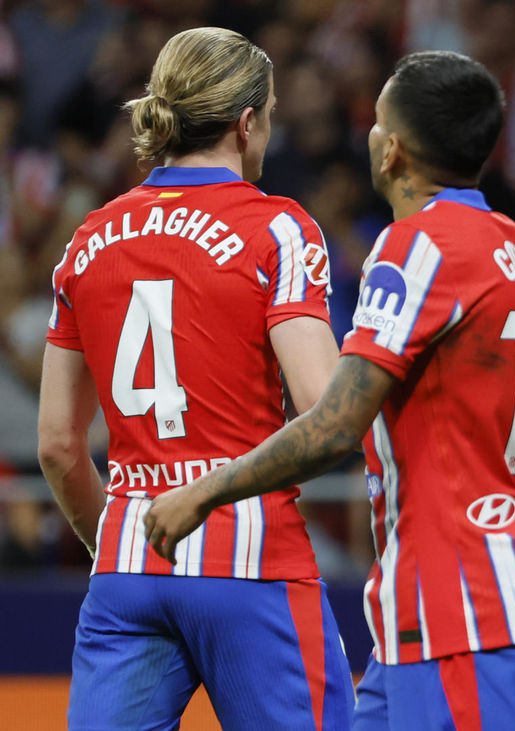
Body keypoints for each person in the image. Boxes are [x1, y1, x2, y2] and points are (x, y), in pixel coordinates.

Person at [142, 51, 515, 730]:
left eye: (377, 121)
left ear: (393, 151)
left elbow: (335, 424)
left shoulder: (415, 249)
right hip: (447, 606)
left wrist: (202, 492)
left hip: (457, 605)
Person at [37, 27, 353, 730]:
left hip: (127, 566)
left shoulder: (88, 238)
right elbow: (326, 411)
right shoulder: (278, 228)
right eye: (268, 114)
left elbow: (59, 444)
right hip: (252, 561)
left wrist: (125, 540)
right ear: (246, 124)